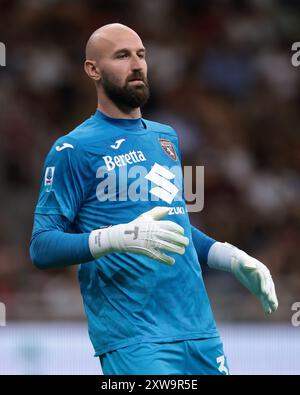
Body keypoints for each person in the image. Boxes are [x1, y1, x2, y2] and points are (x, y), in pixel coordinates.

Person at [30, 23, 278, 375]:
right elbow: (42, 246)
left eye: (141, 55)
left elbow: (172, 227)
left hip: (199, 332)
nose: (137, 64)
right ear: (93, 69)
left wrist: (230, 257)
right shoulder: (72, 149)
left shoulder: (166, 138)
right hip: (135, 339)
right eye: (122, 55)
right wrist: (117, 237)